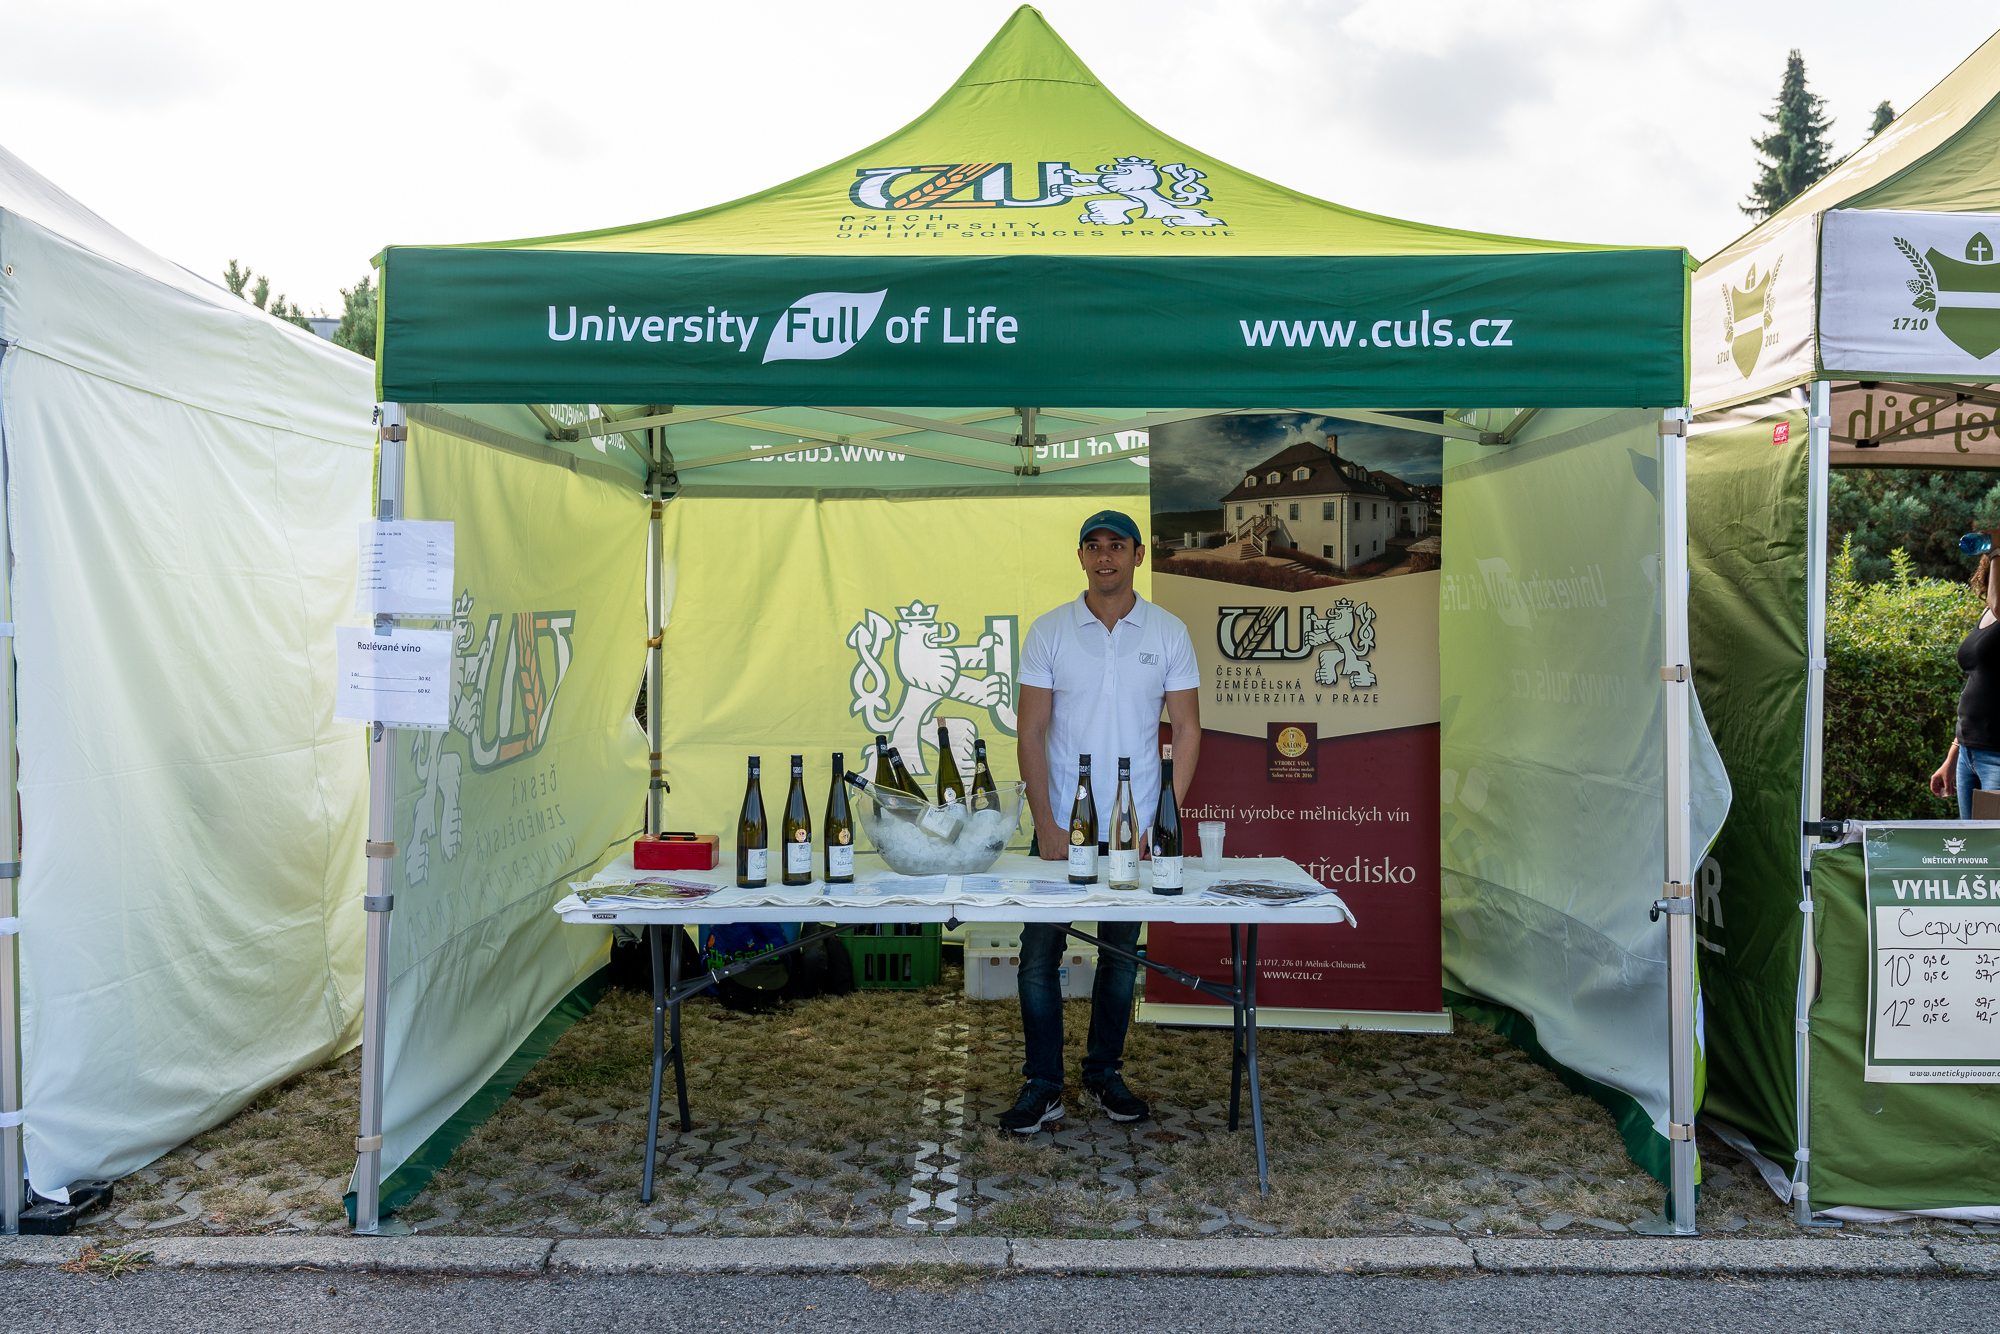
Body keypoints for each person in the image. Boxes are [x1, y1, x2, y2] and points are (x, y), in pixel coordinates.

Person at [1001, 510, 1200, 1133]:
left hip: (1132, 832)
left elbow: (1187, 729)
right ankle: (1043, 1084)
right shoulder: (1050, 630)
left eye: (1117, 545)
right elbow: (1030, 733)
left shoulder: (1168, 631)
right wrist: (1046, 823)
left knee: (1119, 958)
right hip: (1063, 825)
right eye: (1093, 546)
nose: (1105, 556)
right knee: (1039, 957)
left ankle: (1104, 1073)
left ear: (1139, 555)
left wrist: (1161, 823)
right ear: (1081, 557)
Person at [1933, 545, 2000, 816]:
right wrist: (1954, 754)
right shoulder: (1988, 613)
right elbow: (1980, 685)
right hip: (1969, 754)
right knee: (1971, 843)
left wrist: (1997, 548)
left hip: (1997, 757)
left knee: (1994, 841)